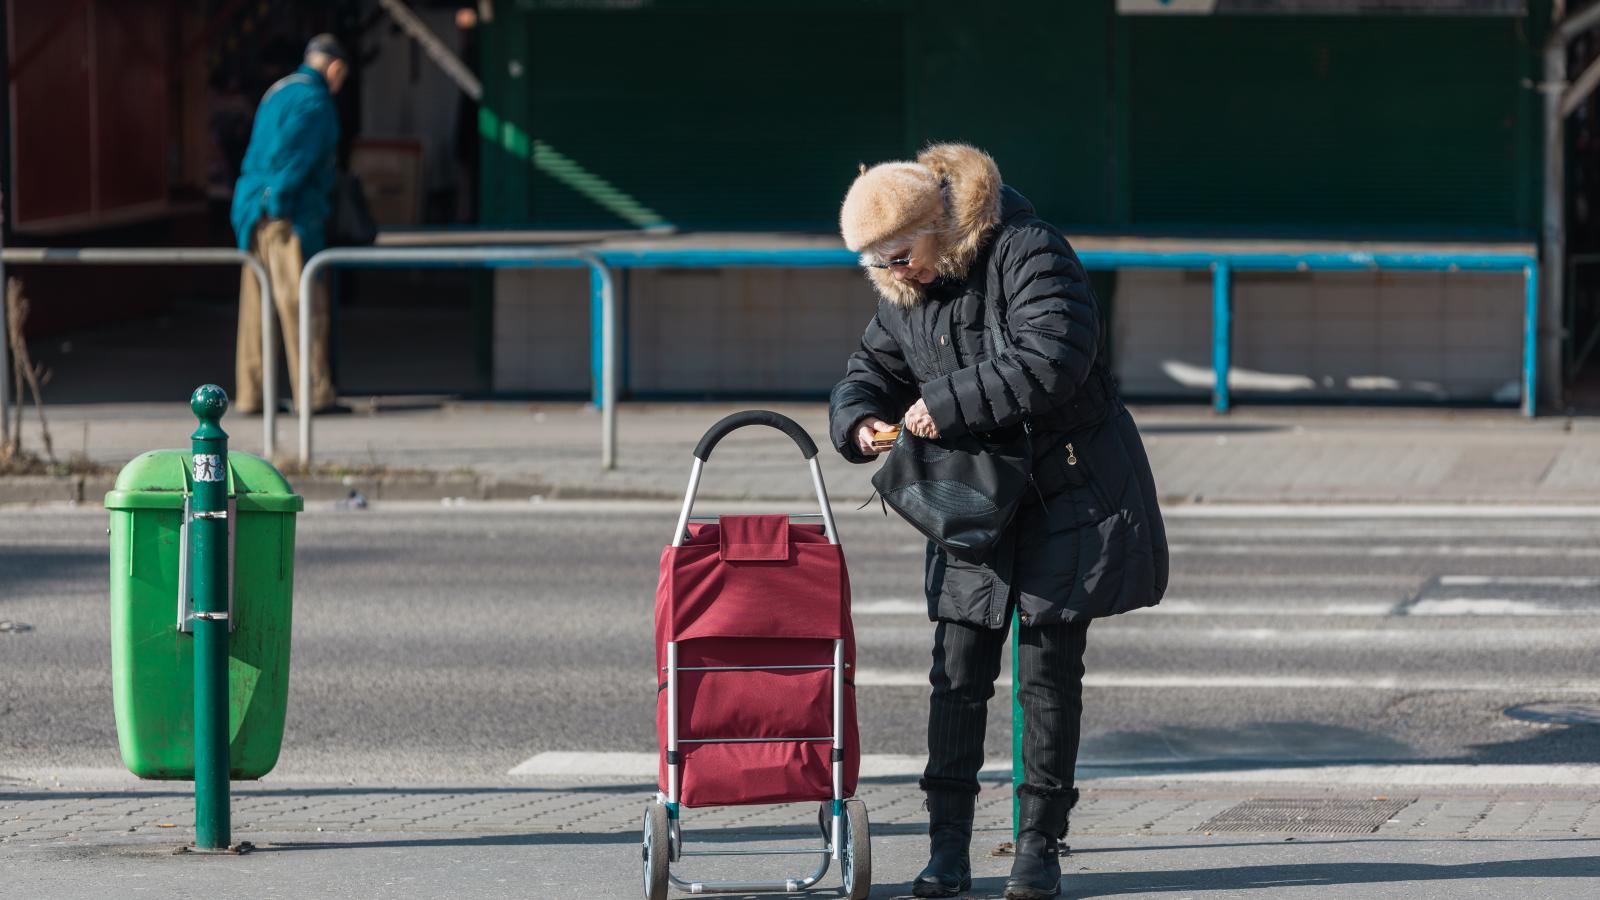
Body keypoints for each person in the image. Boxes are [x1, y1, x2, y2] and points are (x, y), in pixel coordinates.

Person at [828, 143, 1169, 900]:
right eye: (877, 264)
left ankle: (1038, 850)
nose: (893, 273)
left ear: (935, 223)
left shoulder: (1026, 247)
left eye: (900, 255)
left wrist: (941, 406)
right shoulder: (902, 288)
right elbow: (869, 373)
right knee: (956, 676)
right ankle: (947, 850)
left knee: (1047, 678)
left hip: (1064, 491)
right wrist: (858, 425)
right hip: (972, 502)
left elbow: (1057, 353)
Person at [230, 34, 347, 415]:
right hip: (286, 217)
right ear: (335, 67)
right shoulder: (315, 101)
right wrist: (279, 202)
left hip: (252, 212)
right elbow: (293, 160)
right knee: (302, 306)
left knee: (256, 311)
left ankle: (253, 394)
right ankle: (313, 394)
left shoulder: (276, 91)